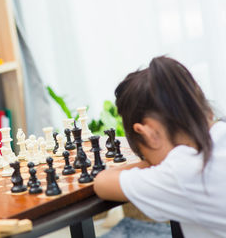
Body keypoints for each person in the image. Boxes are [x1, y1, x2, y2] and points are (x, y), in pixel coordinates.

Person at [94, 56, 226, 237]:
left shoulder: (184, 170)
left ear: (149, 134)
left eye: (144, 155)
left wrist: (151, 164)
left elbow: (102, 183)